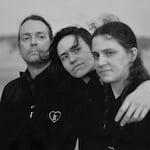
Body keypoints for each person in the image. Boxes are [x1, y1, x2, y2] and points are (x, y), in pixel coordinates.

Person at [50, 25, 150, 150]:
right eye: (64, 57)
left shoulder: (137, 95)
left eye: (77, 49)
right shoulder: (75, 91)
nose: (71, 59)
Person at [0, 15, 79, 150]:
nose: (33, 42)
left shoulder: (72, 85)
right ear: (19, 47)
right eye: (26, 38)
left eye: (40, 36)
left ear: (52, 43)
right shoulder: (11, 90)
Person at [92, 21, 150, 149]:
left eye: (109, 53)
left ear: (132, 55)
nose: (100, 62)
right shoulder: (97, 95)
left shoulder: (145, 99)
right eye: (96, 55)